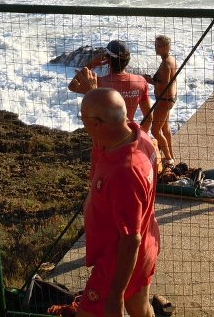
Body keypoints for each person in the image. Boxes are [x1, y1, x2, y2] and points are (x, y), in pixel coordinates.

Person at [77, 87, 160, 317]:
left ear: (98, 124)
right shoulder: (136, 134)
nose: (81, 123)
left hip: (117, 260)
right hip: (147, 246)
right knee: (140, 308)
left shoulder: (125, 173)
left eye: (83, 118)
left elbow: (130, 239)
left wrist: (115, 295)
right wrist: (93, 92)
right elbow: (108, 117)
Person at [69, 40, 152, 133]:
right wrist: (140, 137)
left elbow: (72, 86)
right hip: (128, 133)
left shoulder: (98, 83)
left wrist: (91, 64)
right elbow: (149, 117)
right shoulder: (140, 81)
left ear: (107, 60)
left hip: (107, 137)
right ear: (127, 60)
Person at [143, 35, 177, 168]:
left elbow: (163, 85)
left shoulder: (165, 64)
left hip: (164, 99)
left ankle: (168, 159)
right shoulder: (171, 59)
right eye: (155, 45)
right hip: (169, 99)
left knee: (155, 130)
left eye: (158, 46)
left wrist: (148, 80)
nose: (155, 48)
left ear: (166, 47)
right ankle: (171, 155)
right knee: (165, 128)